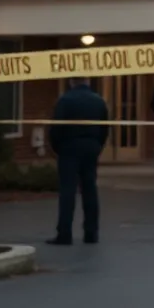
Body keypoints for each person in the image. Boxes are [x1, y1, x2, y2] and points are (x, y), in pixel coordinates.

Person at [48, 77, 110, 245]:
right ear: (88, 82)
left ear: (71, 82)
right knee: (90, 189)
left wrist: (57, 148)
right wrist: (98, 146)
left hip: (69, 147)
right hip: (91, 146)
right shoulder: (99, 101)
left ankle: (65, 233)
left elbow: (55, 127)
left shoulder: (65, 100)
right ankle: (91, 233)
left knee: (68, 190)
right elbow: (105, 127)